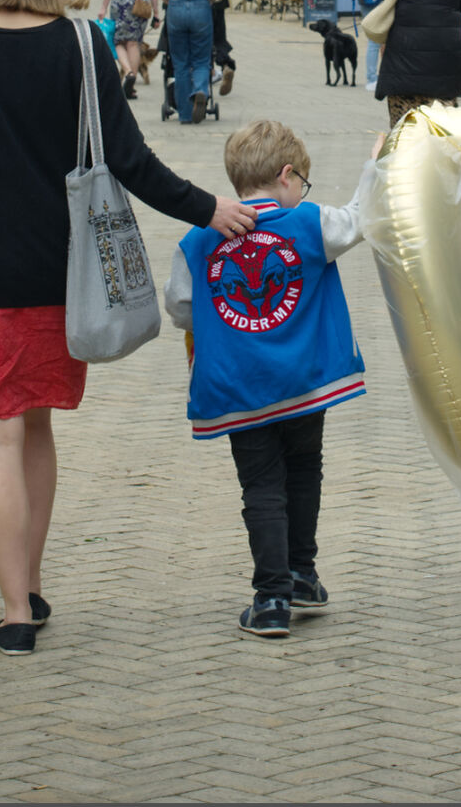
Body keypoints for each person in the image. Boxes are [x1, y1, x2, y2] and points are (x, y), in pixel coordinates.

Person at [0, 0, 256, 656]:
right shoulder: (81, 45)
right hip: (60, 277)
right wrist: (209, 210)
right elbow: (130, 161)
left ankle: (14, 612)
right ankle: (26, 581)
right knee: (34, 428)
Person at [164, 120, 375, 637]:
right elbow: (360, 218)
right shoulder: (307, 223)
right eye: (304, 180)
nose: (304, 190)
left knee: (261, 486)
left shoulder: (197, 239)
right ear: (287, 176)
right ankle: (301, 573)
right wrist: (377, 165)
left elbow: (181, 307)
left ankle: (272, 598)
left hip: (241, 389)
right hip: (305, 383)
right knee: (305, 472)